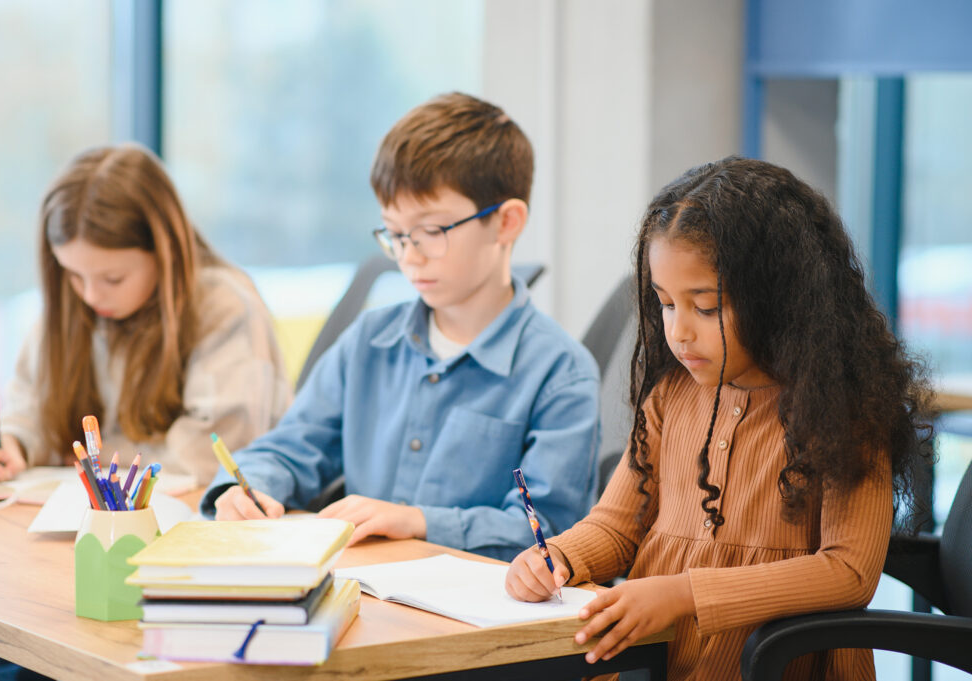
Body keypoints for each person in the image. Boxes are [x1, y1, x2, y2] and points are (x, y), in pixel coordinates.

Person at [505, 157, 933, 680]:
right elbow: (617, 527)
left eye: (705, 308)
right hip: (659, 661)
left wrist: (686, 593)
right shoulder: (671, 395)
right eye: (665, 304)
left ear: (780, 300)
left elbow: (848, 572)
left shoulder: (842, 411)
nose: (679, 331)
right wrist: (561, 559)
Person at [202, 92, 601, 562]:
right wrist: (246, 487)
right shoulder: (369, 342)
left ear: (506, 223)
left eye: (432, 231)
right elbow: (292, 447)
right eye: (395, 234)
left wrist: (419, 521)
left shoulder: (561, 372)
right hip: (365, 591)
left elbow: (550, 531)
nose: (409, 256)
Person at [0, 144, 291, 485]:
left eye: (112, 279)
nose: (90, 295)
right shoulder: (71, 305)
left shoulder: (225, 308)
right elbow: (31, 409)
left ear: (164, 252)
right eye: (73, 274)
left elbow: (207, 458)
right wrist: (12, 445)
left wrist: (90, 459)